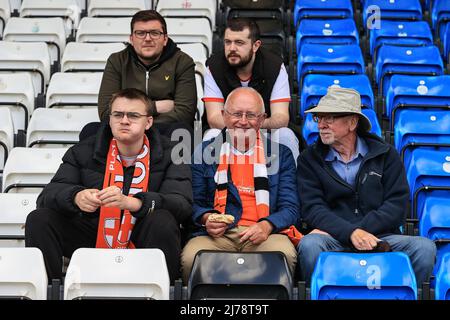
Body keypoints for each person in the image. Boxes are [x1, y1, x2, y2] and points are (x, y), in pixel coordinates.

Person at [25, 88, 193, 283]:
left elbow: (182, 204)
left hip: (142, 230)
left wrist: (135, 204)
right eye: (118, 114)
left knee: (163, 220)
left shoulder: (172, 153)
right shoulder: (83, 151)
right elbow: (46, 197)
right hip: (94, 229)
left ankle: (165, 289)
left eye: (133, 115)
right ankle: (47, 290)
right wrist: (75, 197)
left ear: (148, 122)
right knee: (39, 219)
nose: (124, 120)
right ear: (110, 119)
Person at [296, 86, 436, 286]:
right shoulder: (309, 159)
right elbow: (312, 208)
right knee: (310, 244)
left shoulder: (386, 154)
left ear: (352, 122)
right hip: (333, 237)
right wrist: (349, 233)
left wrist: (361, 231)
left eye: (331, 118)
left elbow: (396, 205)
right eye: (319, 117)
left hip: (379, 237)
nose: (321, 125)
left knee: (424, 248)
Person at [181, 87, 299, 284]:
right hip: (217, 236)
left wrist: (267, 225)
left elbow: (291, 207)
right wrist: (206, 218)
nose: (243, 121)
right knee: (191, 257)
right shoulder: (204, 152)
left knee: (285, 254)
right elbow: (193, 201)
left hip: (265, 234)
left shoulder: (282, 154)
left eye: (251, 115)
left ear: (262, 120)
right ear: (224, 116)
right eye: (236, 114)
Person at [202, 18, 301, 161]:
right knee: (211, 134)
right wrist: (242, 129)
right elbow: (214, 119)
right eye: (227, 42)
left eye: (239, 43)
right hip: (228, 133)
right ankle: (213, 184)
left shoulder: (274, 66)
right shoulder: (214, 66)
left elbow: (281, 118)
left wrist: (249, 126)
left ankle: (292, 183)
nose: (232, 48)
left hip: (265, 132)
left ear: (256, 45)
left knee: (286, 134)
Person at [97, 9, 197, 133]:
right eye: (140, 33)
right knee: (90, 130)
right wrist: (154, 107)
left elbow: (185, 113)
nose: (148, 39)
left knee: (183, 130)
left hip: (165, 129)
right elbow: (106, 112)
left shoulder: (182, 62)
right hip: (125, 129)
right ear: (131, 39)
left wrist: (140, 123)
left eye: (154, 33)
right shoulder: (117, 61)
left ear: (165, 39)